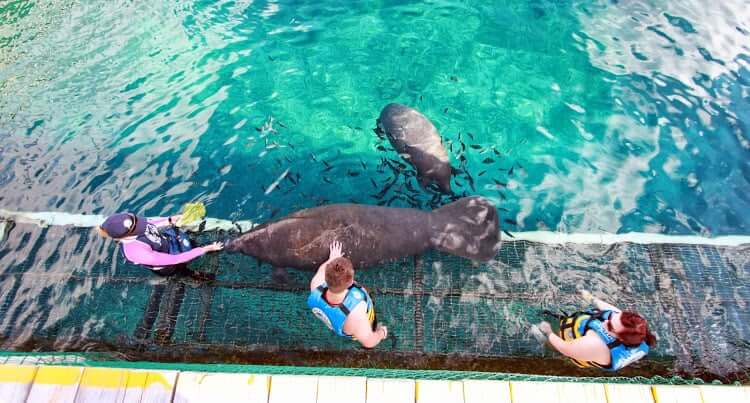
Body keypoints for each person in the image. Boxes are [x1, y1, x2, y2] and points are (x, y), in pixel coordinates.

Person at [533, 289, 656, 371]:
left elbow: (566, 349)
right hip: (584, 332)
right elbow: (611, 311)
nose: (606, 321)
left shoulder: (597, 346)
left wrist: (548, 332)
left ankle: (543, 339)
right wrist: (591, 298)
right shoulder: (631, 327)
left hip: (577, 348)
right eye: (612, 318)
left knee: (553, 342)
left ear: (619, 338)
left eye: (610, 326)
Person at [307, 241, 387, 348]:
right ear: (351, 282)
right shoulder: (357, 313)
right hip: (354, 326)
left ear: (326, 276)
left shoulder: (316, 284)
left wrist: (332, 259)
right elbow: (369, 342)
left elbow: (323, 269)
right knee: (371, 325)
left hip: (336, 320)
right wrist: (381, 333)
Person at [98, 212, 223, 277]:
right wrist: (206, 248)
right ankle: (193, 276)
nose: (143, 224)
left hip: (166, 244)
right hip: (166, 265)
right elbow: (176, 259)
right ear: (124, 236)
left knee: (188, 244)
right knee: (182, 269)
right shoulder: (135, 252)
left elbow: (151, 223)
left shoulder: (135, 227)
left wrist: (170, 220)